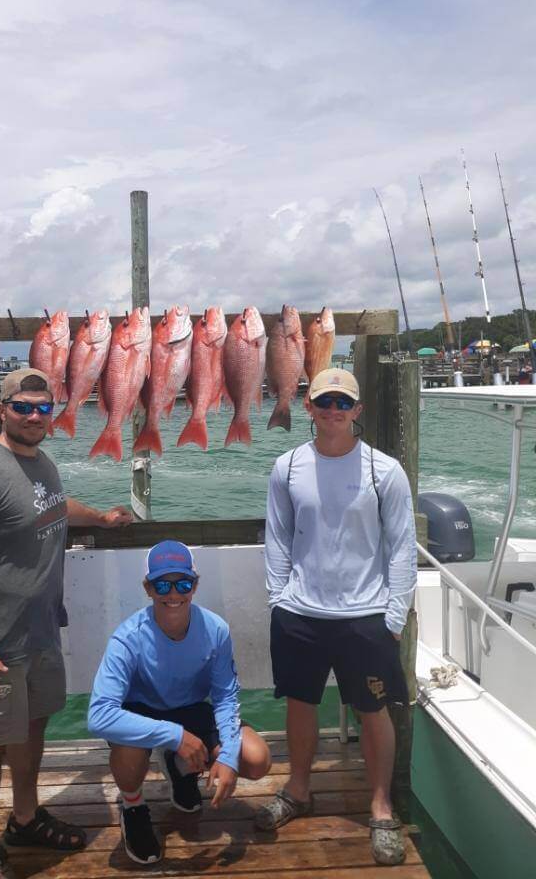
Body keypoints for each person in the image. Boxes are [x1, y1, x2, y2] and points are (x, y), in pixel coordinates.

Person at [0, 368, 133, 879]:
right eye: (22, 406)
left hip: (41, 634)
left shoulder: (41, 463)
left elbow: (52, 507)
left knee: (31, 732)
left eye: (42, 408)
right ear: (3, 409)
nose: (32, 415)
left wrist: (100, 518)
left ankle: (24, 819)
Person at [257, 368, 417, 867]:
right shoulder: (286, 467)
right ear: (308, 407)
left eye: (342, 403)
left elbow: (402, 547)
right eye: (323, 401)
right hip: (299, 613)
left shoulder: (383, 470)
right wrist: (278, 599)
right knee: (300, 704)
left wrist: (393, 616)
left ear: (357, 410)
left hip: (366, 615)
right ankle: (299, 790)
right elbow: (277, 537)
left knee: (375, 710)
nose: (332, 410)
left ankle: (381, 805)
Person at [87, 540, 272, 865]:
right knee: (129, 750)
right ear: (148, 588)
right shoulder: (126, 638)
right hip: (141, 710)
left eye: (183, 583)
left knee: (256, 759)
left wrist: (228, 757)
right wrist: (174, 736)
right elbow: (99, 715)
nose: (174, 594)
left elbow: (226, 695)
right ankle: (132, 806)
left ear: (195, 585)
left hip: (191, 710)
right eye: (163, 584)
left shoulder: (216, 630)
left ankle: (179, 766)